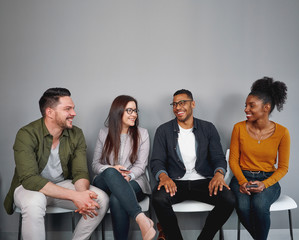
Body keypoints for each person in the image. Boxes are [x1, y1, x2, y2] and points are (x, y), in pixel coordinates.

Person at [4, 88, 109, 240]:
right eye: (68, 109)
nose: (73, 113)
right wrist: (75, 196)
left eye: (73, 108)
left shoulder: (76, 134)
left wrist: (82, 195)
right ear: (50, 112)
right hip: (29, 188)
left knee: (101, 199)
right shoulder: (26, 134)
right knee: (35, 202)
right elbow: (29, 179)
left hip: (61, 185)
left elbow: (80, 172)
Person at [151, 89, 235, 240]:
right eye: (175, 104)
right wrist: (163, 177)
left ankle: (205, 238)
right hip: (175, 182)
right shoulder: (163, 131)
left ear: (193, 104)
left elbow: (218, 157)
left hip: (204, 182)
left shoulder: (208, 128)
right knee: (158, 198)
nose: (177, 107)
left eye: (182, 103)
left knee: (229, 199)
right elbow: (157, 160)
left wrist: (219, 174)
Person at [229, 77, 290, 240]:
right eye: (245, 105)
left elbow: (283, 167)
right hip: (242, 177)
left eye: (251, 106)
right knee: (242, 206)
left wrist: (265, 184)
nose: (246, 109)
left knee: (259, 204)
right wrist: (242, 182)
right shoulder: (239, 128)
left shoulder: (282, 133)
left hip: (267, 179)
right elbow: (233, 160)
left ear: (266, 107)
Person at [92, 95, 155, 240]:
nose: (134, 114)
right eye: (129, 110)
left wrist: (129, 176)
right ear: (118, 111)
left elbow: (141, 165)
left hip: (134, 181)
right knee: (110, 171)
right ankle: (142, 219)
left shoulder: (142, 133)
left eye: (135, 110)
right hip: (105, 182)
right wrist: (113, 170)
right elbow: (95, 164)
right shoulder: (104, 133)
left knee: (116, 199)